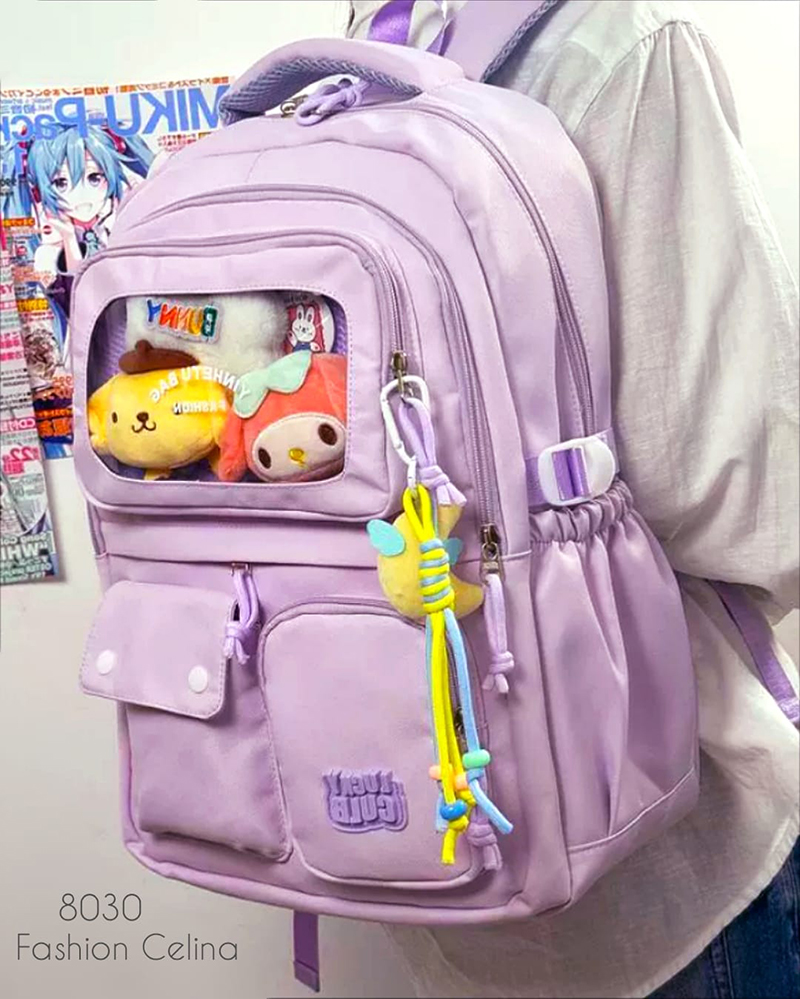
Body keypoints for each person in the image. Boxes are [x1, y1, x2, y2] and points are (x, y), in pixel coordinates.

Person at [345, 2, 799, 996]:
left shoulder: (355, 62)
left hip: (429, 823)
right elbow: (740, 492)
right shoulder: (617, 42)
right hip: (667, 836)